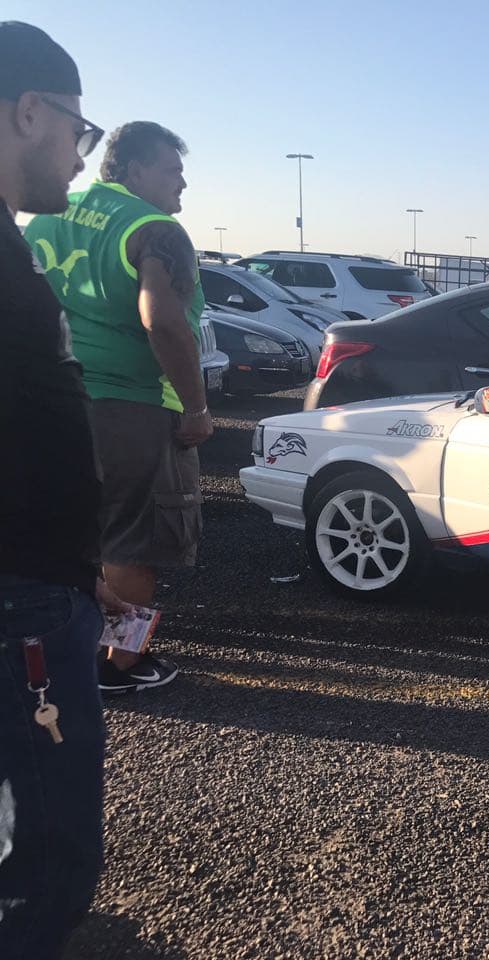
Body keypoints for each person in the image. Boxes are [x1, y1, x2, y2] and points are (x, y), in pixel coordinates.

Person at [0, 22, 133, 957]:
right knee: (49, 845)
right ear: (29, 110)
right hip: (22, 598)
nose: (81, 161)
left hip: (37, 581)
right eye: (81, 136)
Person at [24, 121, 211, 696]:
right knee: (134, 543)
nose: (183, 185)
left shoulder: (49, 214)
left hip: (48, 402)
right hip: (130, 408)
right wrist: (198, 408)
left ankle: (52, 655)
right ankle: (117, 665)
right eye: (172, 171)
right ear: (133, 171)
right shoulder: (153, 230)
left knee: (64, 535)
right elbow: (163, 322)